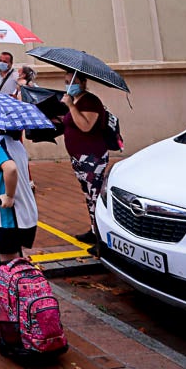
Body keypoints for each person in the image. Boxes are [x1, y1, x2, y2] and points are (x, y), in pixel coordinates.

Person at [58, 73, 109, 244]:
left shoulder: (90, 101)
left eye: (73, 82)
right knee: (88, 195)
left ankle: (101, 238)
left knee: (95, 195)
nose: (68, 85)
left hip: (92, 157)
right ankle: (94, 230)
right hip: (79, 157)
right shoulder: (76, 101)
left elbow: (86, 126)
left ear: (84, 82)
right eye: (66, 82)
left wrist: (71, 106)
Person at [0, 126, 38, 264]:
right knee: (18, 261)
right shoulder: (16, 143)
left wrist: (9, 196)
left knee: (8, 265)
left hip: (7, 217)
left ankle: (15, 286)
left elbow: (10, 168)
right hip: (26, 213)